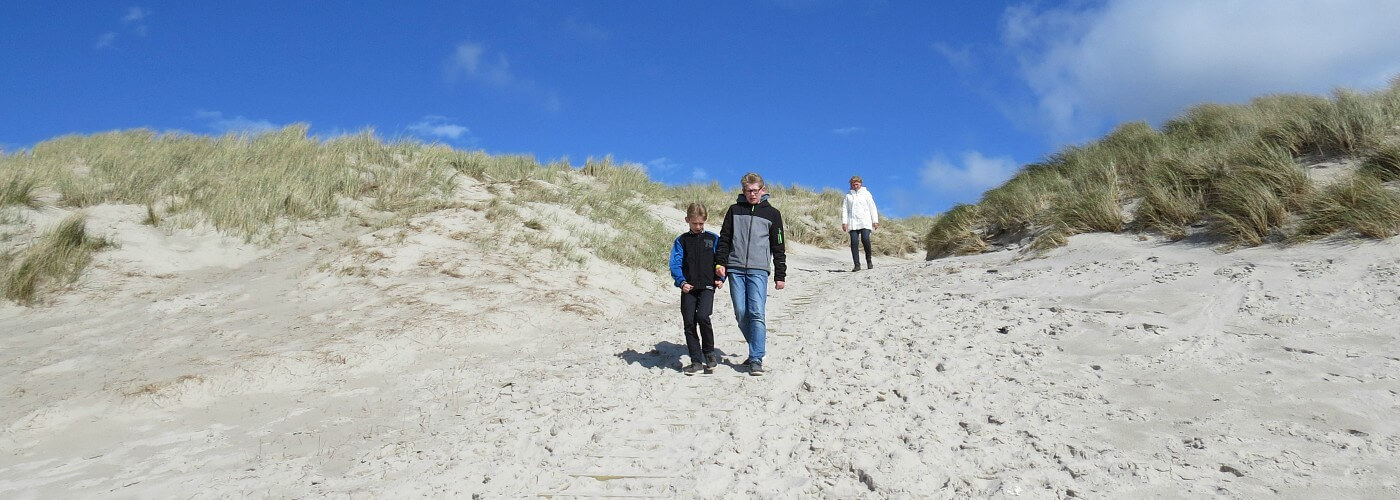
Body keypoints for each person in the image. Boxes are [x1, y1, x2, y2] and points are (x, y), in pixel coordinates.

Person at [714, 172, 786, 376]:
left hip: (759, 269)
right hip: (735, 268)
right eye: (748, 191)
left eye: (756, 191)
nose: (752, 194)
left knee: (756, 312)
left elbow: (778, 246)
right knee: (741, 312)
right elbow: (725, 238)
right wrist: (720, 262)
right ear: (743, 191)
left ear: (763, 190)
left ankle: (756, 358)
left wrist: (780, 275)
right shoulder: (734, 210)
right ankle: (756, 345)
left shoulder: (773, 214)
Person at [668, 202, 724, 375]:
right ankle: (696, 361)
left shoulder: (713, 239)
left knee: (703, 316)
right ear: (687, 220)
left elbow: (721, 261)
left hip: (707, 286)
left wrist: (721, 277)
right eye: (694, 223)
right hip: (688, 287)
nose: (698, 227)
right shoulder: (681, 241)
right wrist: (681, 282)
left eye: (701, 223)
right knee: (689, 323)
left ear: (705, 221)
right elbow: (675, 264)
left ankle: (709, 353)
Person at [841, 175, 879, 272]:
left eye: (857, 184)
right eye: (853, 185)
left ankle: (869, 260)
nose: (855, 186)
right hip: (853, 222)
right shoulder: (848, 196)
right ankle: (857, 265)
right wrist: (844, 222)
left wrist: (875, 221)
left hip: (865, 221)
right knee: (854, 243)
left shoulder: (866, 194)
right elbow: (845, 209)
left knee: (865, 240)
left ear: (860, 184)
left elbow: (872, 207)